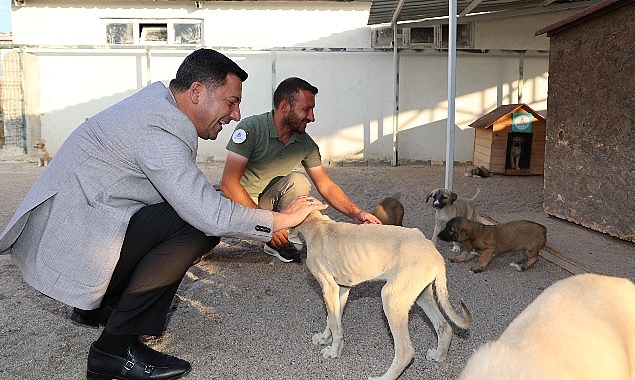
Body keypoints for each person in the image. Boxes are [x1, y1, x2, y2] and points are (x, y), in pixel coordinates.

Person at [0, 49, 326, 380]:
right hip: (73, 248)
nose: (235, 114)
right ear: (197, 92)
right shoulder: (158, 125)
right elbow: (205, 213)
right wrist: (278, 221)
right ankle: (114, 350)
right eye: (230, 102)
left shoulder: (159, 108)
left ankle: (97, 306)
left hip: (83, 231)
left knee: (194, 208)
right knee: (196, 223)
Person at [220, 77, 381, 263]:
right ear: (285, 107)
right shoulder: (251, 129)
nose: (312, 117)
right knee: (203, 233)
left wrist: (358, 214)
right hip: (238, 204)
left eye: (312, 110)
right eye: (306, 110)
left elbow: (326, 186)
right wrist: (265, 224)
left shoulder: (306, 144)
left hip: (265, 205)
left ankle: (279, 240)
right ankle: (270, 232)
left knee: (298, 181)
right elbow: (228, 184)